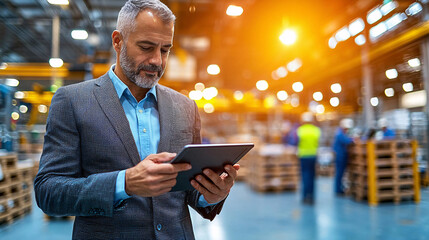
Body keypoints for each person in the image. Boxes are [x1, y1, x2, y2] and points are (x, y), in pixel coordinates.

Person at [34, 1, 239, 239]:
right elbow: (49, 192)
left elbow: (186, 188)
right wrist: (125, 183)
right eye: (146, 47)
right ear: (118, 41)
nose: (157, 60)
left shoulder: (185, 107)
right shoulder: (73, 101)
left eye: (164, 50)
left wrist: (210, 193)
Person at [296, 112, 321, 204]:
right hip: (313, 155)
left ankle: (305, 197)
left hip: (303, 156)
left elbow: (296, 142)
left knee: (305, 176)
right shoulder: (316, 130)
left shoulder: (300, 130)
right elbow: (317, 141)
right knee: (312, 177)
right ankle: (311, 197)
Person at [332, 118, 354, 195]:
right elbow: (347, 141)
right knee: (339, 173)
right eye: (346, 129)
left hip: (342, 156)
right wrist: (353, 139)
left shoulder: (341, 133)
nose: (347, 130)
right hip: (340, 157)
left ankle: (339, 189)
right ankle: (338, 190)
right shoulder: (340, 134)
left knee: (340, 174)